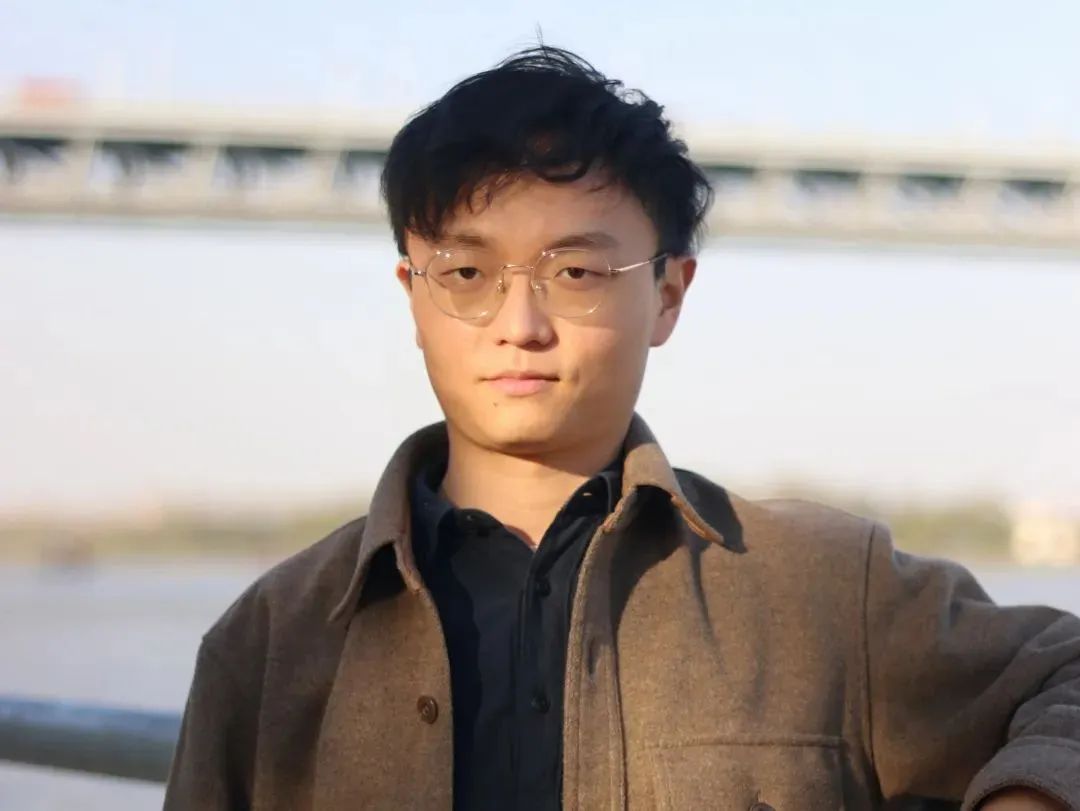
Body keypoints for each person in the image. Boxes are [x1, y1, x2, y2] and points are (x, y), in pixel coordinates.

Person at [164, 46, 1080, 811]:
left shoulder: (824, 594)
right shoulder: (272, 643)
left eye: (575, 273)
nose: (520, 324)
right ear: (414, 294)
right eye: (468, 274)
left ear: (668, 294)